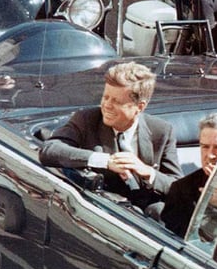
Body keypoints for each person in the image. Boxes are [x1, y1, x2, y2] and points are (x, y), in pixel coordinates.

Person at [39, 62, 183, 208]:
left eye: (117, 101)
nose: (107, 105)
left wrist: (148, 172)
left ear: (139, 106)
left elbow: (179, 187)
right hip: (104, 211)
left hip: (148, 219)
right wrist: (105, 161)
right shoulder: (87, 120)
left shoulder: (162, 131)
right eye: (105, 97)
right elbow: (49, 150)